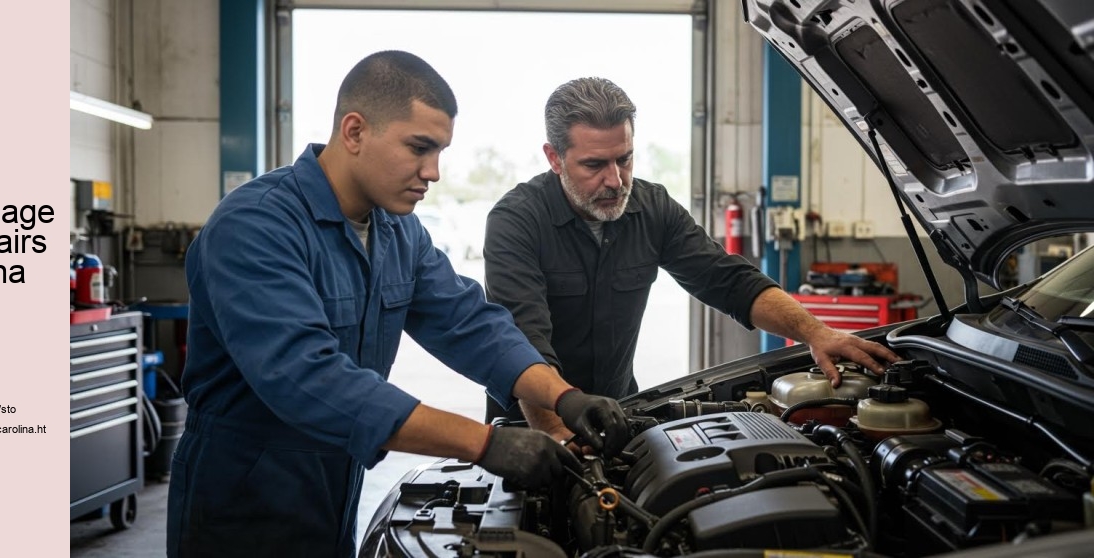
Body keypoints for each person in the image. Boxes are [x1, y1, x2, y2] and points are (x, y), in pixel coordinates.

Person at [167, 52, 626, 557]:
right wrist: (484, 443)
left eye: (440, 151)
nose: (433, 172)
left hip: (334, 491)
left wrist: (564, 397)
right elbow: (306, 378)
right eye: (419, 148)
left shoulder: (396, 230)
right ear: (356, 131)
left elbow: (468, 322)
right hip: (241, 506)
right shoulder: (256, 226)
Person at [484, 77, 901, 424]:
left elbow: (728, 279)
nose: (615, 180)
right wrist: (557, 436)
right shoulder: (516, 221)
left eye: (625, 160)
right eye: (594, 165)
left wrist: (816, 332)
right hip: (529, 423)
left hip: (616, 409)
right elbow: (524, 343)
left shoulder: (653, 208)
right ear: (555, 158)